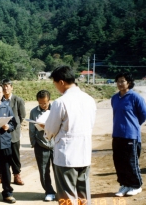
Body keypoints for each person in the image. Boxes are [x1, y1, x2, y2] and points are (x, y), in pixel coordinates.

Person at [43, 66, 96, 205]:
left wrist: (46, 131)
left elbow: (50, 129)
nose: (55, 88)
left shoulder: (60, 102)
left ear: (61, 82)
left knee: (67, 197)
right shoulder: (89, 99)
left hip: (66, 156)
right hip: (84, 154)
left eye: (54, 84)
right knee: (83, 195)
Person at [111, 72, 146, 197]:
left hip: (131, 135)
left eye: (123, 81)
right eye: (118, 81)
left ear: (129, 83)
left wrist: (133, 125)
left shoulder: (135, 97)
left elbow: (143, 114)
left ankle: (136, 185)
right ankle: (125, 184)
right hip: (117, 134)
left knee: (131, 162)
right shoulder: (114, 98)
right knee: (119, 161)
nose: (120, 84)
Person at [0, 79, 26, 185]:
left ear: (12, 87)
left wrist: (13, 126)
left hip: (13, 133)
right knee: (1, 155)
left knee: (15, 155)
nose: (5, 88)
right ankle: (1, 175)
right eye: (4, 86)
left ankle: (17, 175)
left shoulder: (18, 100)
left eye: (8, 86)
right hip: (1, 132)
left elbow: (22, 116)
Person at [28, 90, 56, 201]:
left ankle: (62, 190)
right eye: (40, 103)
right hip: (40, 144)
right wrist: (34, 143)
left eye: (45, 103)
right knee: (44, 170)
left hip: (56, 145)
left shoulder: (56, 110)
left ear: (49, 100)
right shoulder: (34, 112)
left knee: (59, 169)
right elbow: (31, 128)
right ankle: (49, 191)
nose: (43, 105)